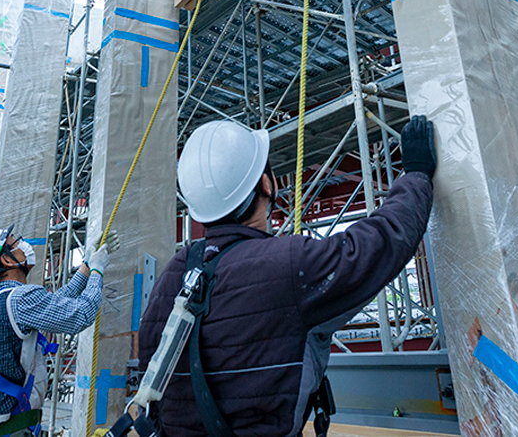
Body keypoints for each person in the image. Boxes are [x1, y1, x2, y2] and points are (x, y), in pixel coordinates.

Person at [137, 115, 436, 437]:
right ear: (266, 184)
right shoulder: (286, 265)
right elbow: (380, 243)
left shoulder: (174, 273)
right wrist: (417, 175)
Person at [0, 226, 119, 437]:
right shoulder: (19, 298)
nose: (22, 245)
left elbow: (55, 304)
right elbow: (80, 315)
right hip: (5, 431)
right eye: (15, 243)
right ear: (7, 260)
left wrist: (86, 265)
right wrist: (97, 269)